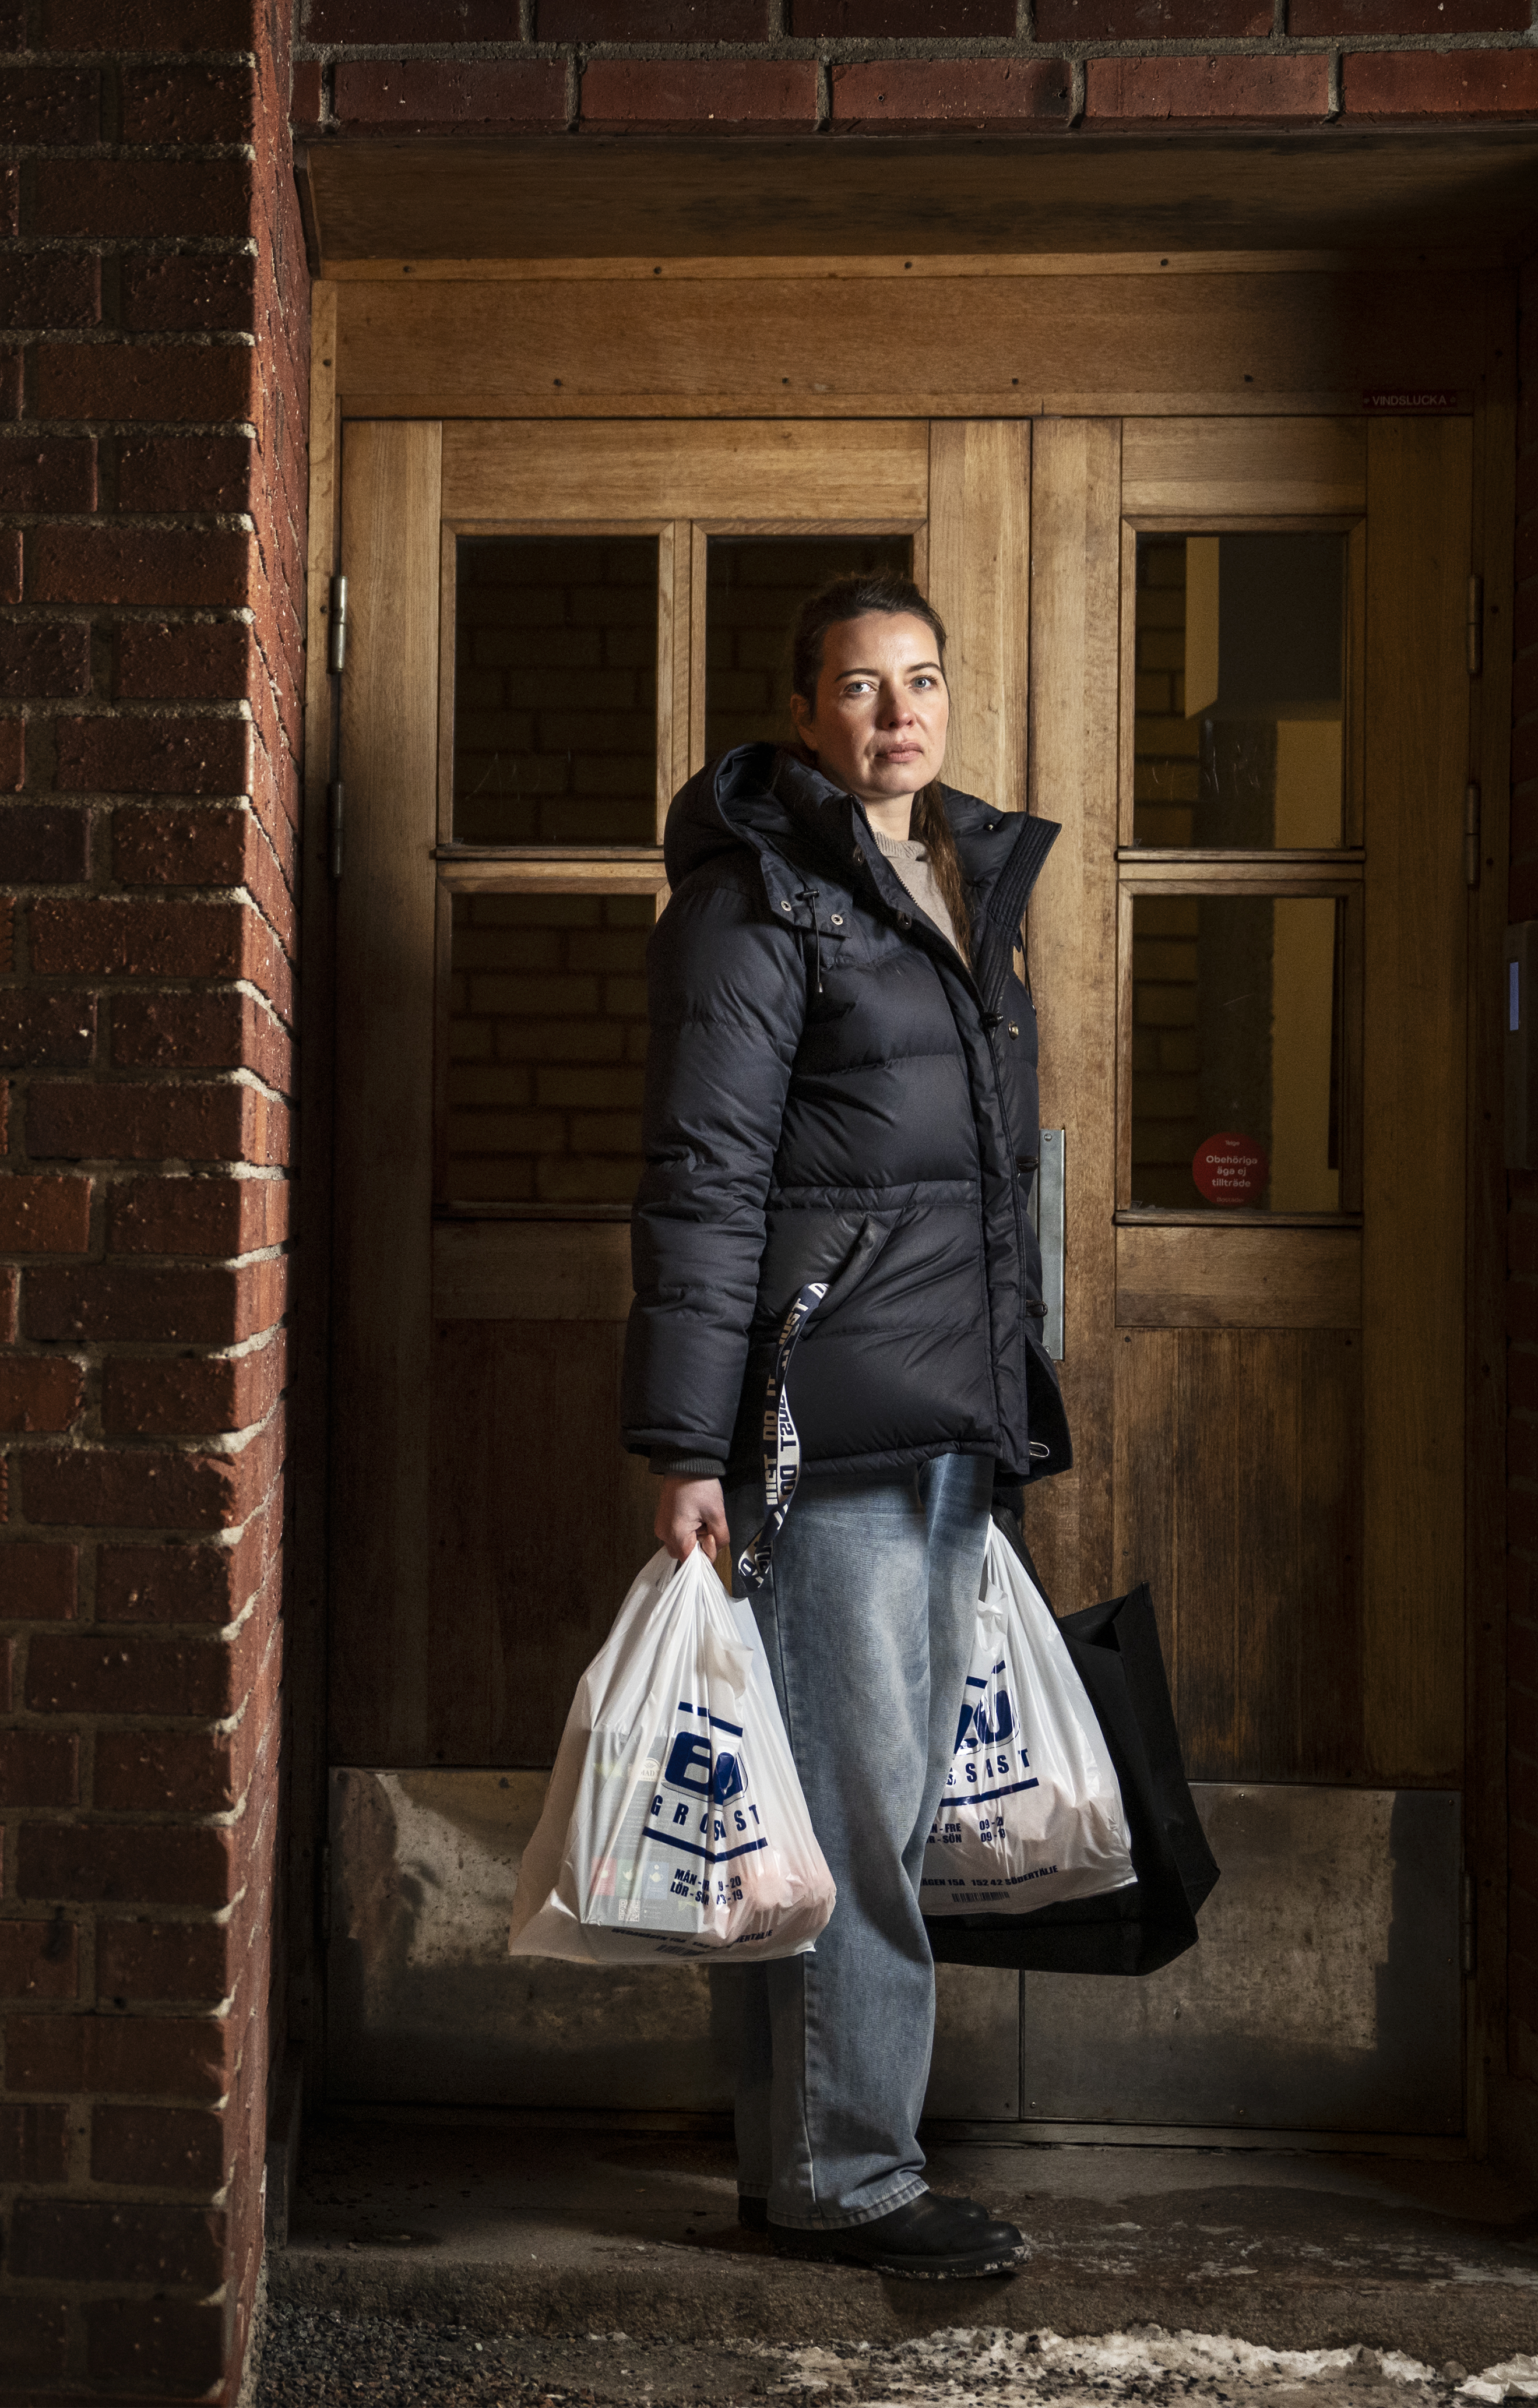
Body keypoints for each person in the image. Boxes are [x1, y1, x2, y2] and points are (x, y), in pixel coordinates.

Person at [623, 568, 1065, 2281]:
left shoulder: (956, 884)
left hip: (949, 1419)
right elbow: (704, 1184)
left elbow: (988, 1184)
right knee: (857, 1821)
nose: (902, 713)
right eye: (865, 686)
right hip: (827, 1435)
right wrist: (685, 1450)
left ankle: (809, 2154)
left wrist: (1014, 1406)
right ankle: (851, 2174)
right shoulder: (758, 905)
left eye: (926, 680)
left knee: (846, 1820)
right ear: (807, 712)